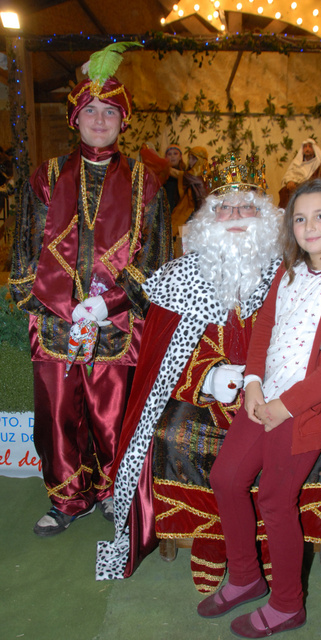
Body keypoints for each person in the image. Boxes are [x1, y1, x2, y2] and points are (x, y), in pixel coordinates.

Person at [198, 178, 321, 638]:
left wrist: (285, 406)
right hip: (266, 396)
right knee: (226, 478)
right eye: (300, 218)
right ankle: (246, 577)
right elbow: (265, 329)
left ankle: (287, 604)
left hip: (308, 409)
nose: (309, 226)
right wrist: (253, 384)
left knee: (276, 502)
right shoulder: (289, 270)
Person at [95, 157, 283, 581]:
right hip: (202, 401)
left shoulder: (290, 274)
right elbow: (161, 361)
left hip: (274, 397)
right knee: (172, 435)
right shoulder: (180, 277)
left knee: (285, 442)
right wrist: (210, 377)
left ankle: (269, 546)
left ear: (266, 216)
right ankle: (208, 540)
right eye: (224, 207)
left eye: (247, 206)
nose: (236, 216)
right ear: (208, 218)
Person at [8, 73, 172, 537]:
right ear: (75, 118)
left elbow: (155, 259)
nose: (100, 120)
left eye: (111, 111)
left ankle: (113, 490)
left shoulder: (146, 182)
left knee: (112, 415)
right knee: (57, 416)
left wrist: (109, 304)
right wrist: (50, 304)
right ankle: (67, 498)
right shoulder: (46, 176)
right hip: (54, 320)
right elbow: (25, 248)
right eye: (91, 110)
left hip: (117, 323)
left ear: (124, 121)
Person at [169, 146, 210, 256]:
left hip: (196, 212)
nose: (190, 161)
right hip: (201, 212)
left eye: (192, 158)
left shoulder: (194, 175)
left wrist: (160, 164)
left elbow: (176, 174)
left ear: (198, 160)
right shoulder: (206, 174)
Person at [278, 138, 321, 208]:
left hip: (311, 190)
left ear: (314, 149)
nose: (307, 149)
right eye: (305, 147)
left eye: (310, 147)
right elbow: (289, 174)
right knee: (285, 191)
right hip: (297, 189)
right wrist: (290, 181)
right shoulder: (297, 163)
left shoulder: (319, 163)